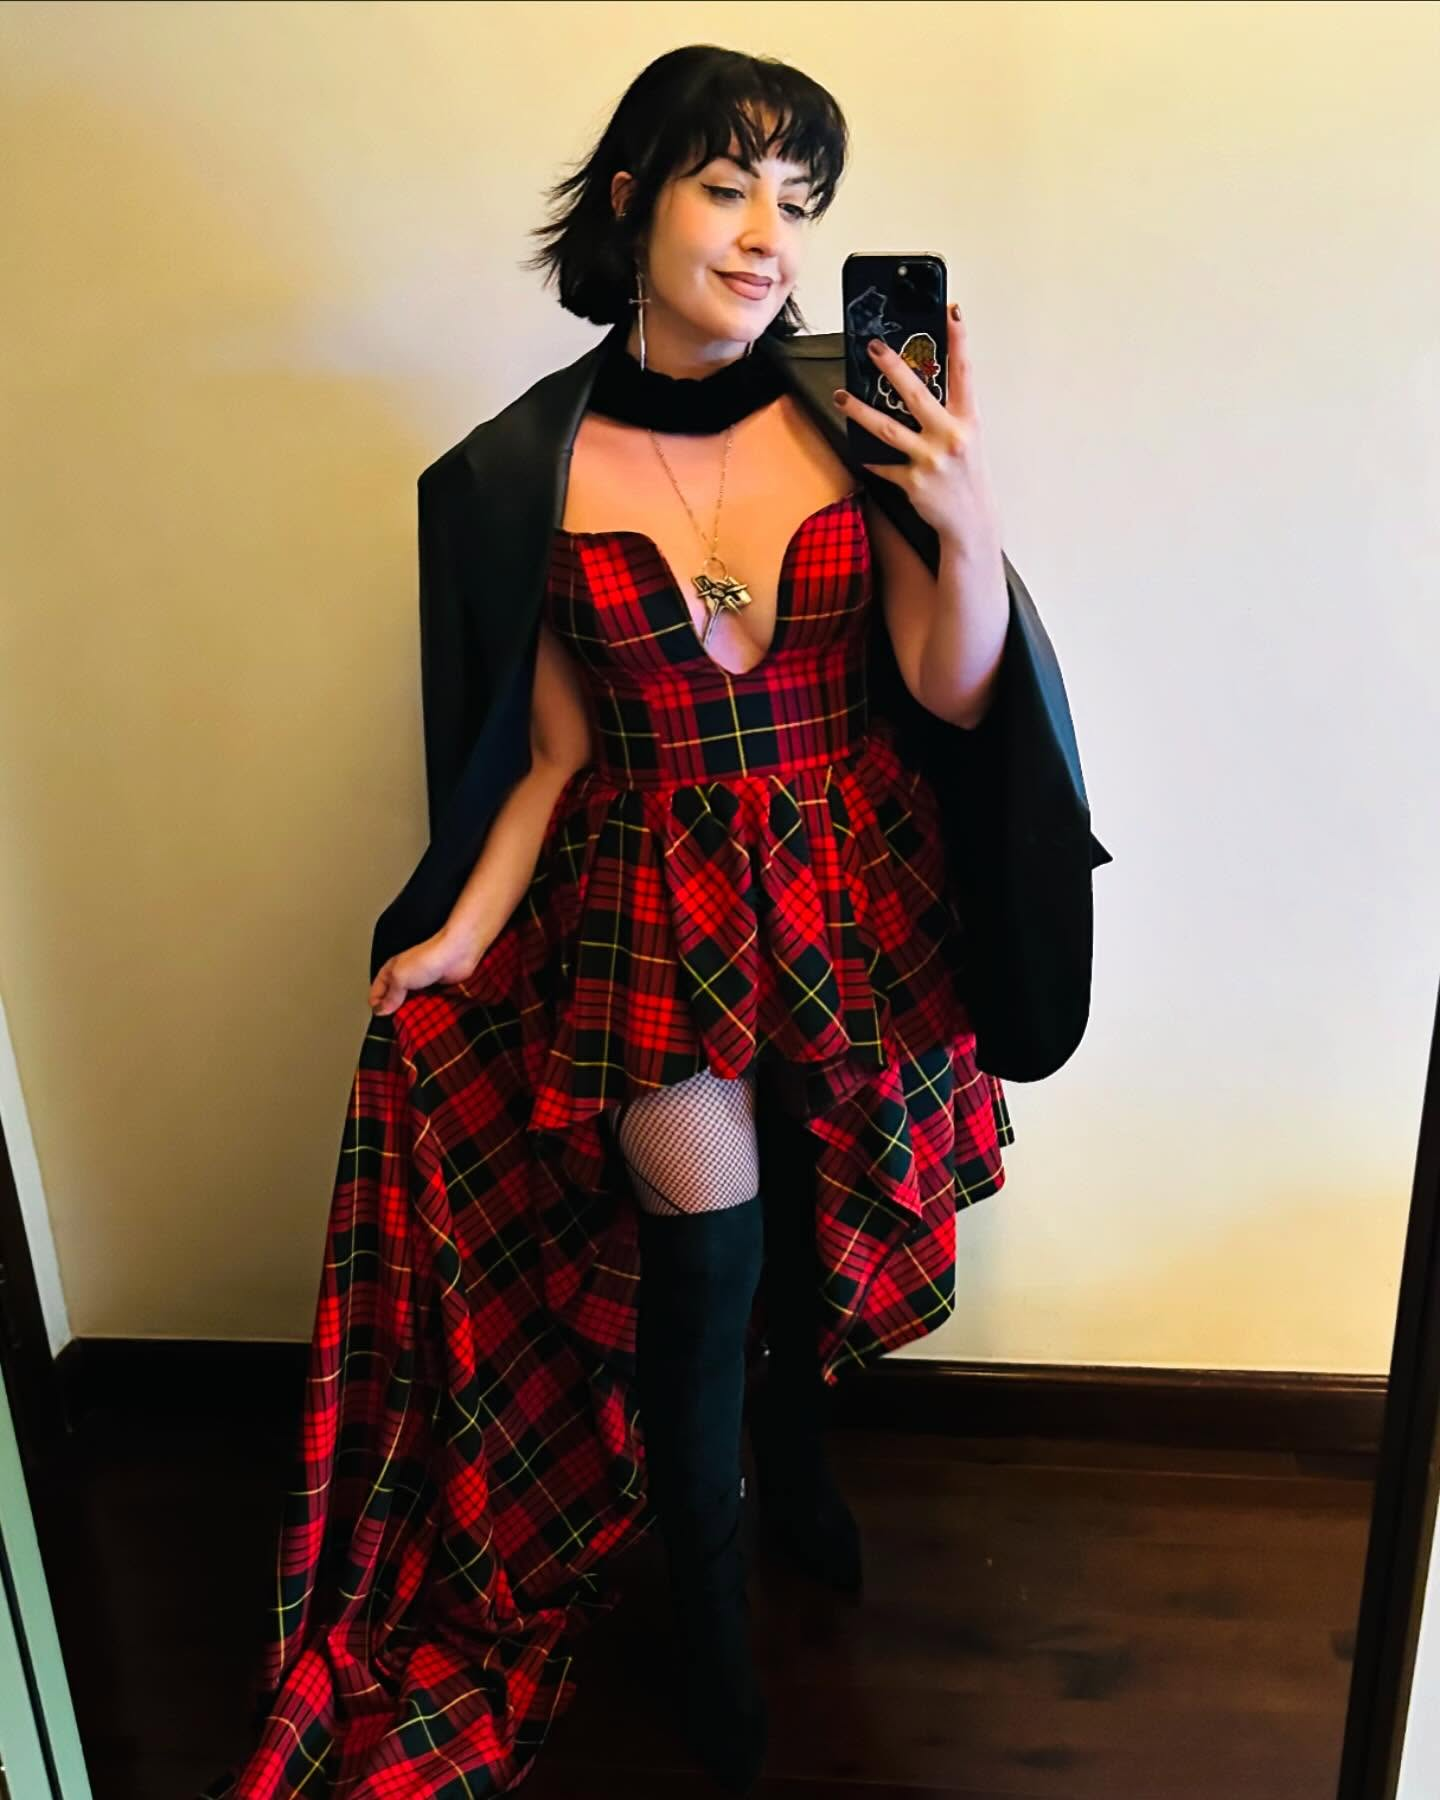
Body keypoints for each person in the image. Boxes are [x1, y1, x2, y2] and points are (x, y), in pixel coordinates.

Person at [207, 44, 1082, 1800]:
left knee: (815, 1223)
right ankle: (709, 1621)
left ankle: (803, 1470)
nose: (769, 239)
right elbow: (547, 756)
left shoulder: (853, 416)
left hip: (847, 897)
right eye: (728, 186)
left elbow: (947, 682)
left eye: (798, 203)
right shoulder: (517, 474)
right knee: (706, 1269)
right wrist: (462, 933)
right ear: (632, 200)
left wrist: (967, 511)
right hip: (653, 927)